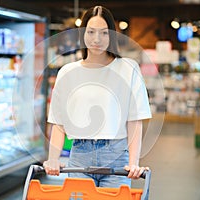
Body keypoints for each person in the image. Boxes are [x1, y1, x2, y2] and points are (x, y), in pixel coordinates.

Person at [43, 5, 152, 188]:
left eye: (104, 33)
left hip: (117, 157)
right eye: (91, 32)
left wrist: (133, 163)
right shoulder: (68, 72)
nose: (97, 39)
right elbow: (59, 123)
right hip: (79, 156)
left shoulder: (128, 69)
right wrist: (52, 159)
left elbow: (134, 121)